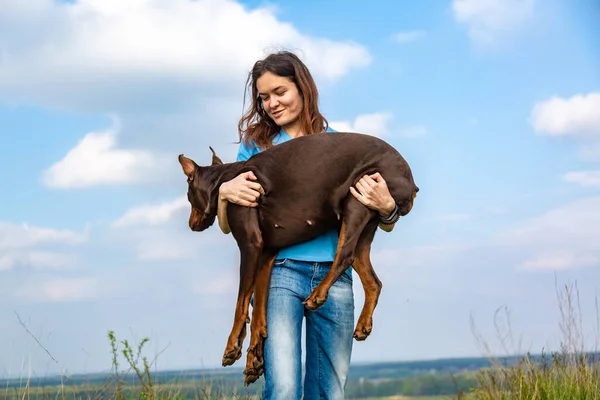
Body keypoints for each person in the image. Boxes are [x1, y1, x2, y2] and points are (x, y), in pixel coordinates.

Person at [216, 51, 399, 400]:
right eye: (263, 97)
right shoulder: (255, 147)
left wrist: (387, 206)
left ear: (302, 87)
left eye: (279, 92)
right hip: (280, 274)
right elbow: (232, 228)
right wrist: (225, 193)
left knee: (329, 392)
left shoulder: (342, 148)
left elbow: (380, 223)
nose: (271, 103)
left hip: (336, 278)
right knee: (283, 389)